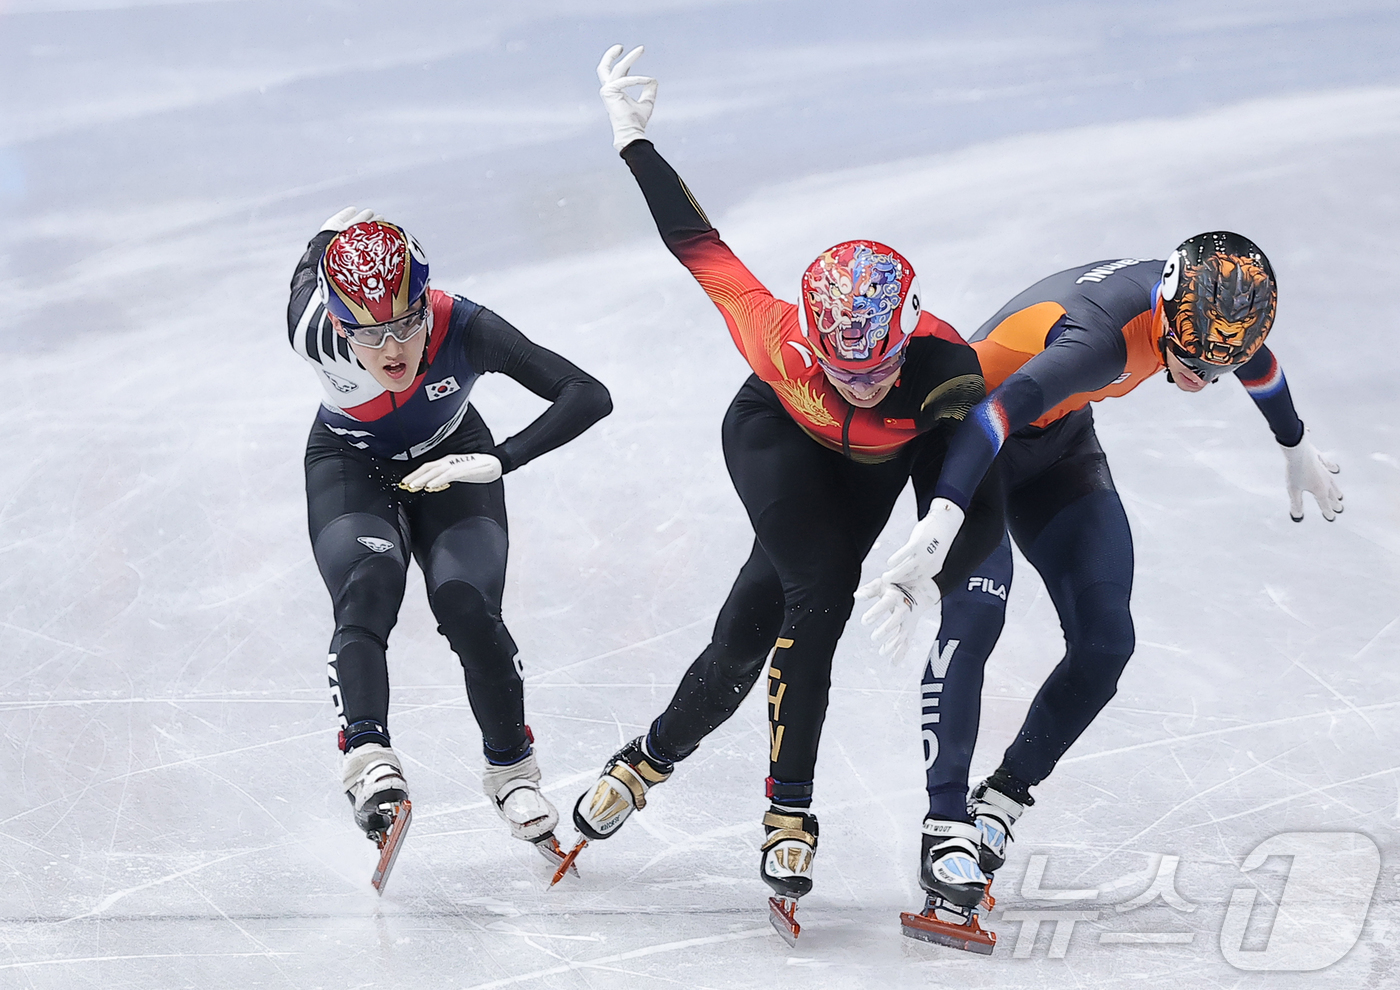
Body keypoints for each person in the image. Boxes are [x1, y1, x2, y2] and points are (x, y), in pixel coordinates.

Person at [567, 46, 1004, 931]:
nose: (863, 383)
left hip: (869, 477)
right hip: (772, 439)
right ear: (813, 337)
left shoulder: (947, 367)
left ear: (908, 332)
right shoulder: (774, 333)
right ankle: (789, 813)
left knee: (742, 642)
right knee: (821, 596)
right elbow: (698, 245)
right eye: (844, 368)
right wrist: (632, 141)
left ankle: (644, 760)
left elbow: (976, 456)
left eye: (879, 366)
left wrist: (940, 534)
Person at [859, 234, 1343, 915]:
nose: (1204, 376)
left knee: (1107, 641)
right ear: (1167, 316)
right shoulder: (1099, 342)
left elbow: (1256, 363)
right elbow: (995, 412)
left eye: (1218, 365)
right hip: (973, 438)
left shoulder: (1211, 313)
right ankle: (944, 829)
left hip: (1057, 440)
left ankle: (999, 801)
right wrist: (943, 513)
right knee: (978, 611)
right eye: (1194, 359)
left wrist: (1295, 443)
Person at [286, 207, 612, 869]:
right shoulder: (308, 328)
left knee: (467, 603)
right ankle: (368, 758)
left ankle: (512, 770)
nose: (393, 350)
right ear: (338, 324)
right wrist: (329, 232)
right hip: (351, 467)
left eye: (408, 322)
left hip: (456, 456)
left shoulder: (464, 324)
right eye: (369, 335)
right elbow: (307, 270)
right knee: (367, 586)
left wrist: (504, 458)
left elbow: (587, 392)